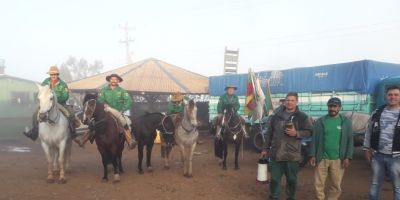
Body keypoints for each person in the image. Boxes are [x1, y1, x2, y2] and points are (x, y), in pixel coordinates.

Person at [260, 92, 313, 200]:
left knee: (292, 180)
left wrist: (297, 133)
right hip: (276, 154)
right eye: (287, 100)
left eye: (292, 100)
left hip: (292, 155)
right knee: (274, 179)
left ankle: (290, 197)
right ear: (284, 102)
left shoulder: (302, 117)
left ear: (296, 102)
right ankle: (274, 196)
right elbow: (269, 133)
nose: (289, 102)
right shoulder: (276, 116)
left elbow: (310, 131)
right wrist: (265, 148)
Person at [309, 97, 353, 200]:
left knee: (336, 185)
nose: (332, 108)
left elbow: (350, 141)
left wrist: (348, 157)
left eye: (335, 106)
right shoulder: (320, 122)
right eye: (330, 106)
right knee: (318, 184)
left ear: (340, 107)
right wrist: (312, 155)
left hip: (338, 159)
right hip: (321, 158)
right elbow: (314, 139)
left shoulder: (346, 122)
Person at [23, 65, 80, 141]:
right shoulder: (45, 82)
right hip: (46, 103)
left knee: (70, 113)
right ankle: (34, 132)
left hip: (60, 103)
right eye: (52, 74)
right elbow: (41, 92)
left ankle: (73, 132)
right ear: (50, 75)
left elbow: (65, 95)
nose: (53, 76)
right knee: (35, 113)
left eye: (55, 74)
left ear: (57, 75)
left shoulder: (63, 84)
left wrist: (55, 99)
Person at [364, 85, 400, 200]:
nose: (392, 97)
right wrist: (366, 149)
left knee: (397, 187)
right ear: (385, 96)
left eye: (396, 95)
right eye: (390, 94)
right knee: (375, 184)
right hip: (377, 155)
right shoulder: (377, 112)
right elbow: (368, 131)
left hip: (397, 157)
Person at [97, 74, 137, 149]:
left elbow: (129, 101)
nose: (113, 80)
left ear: (118, 81)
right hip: (105, 111)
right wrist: (103, 104)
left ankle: (130, 140)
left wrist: (123, 109)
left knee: (125, 121)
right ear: (109, 80)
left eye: (115, 79)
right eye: (112, 79)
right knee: (93, 121)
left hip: (118, 112)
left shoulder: (122, 91)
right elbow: (99, 99)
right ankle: (85, 137)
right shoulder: (104, 90)